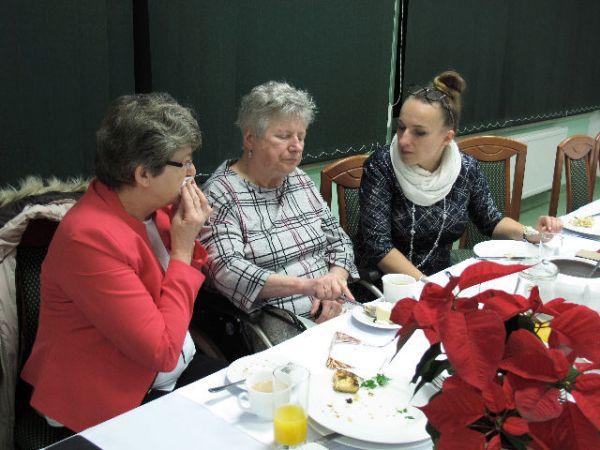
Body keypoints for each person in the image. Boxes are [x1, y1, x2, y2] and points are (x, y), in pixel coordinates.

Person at [21, 93, 225, 433]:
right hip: (109, 398)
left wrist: (186, 238)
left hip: (170, 371)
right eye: (185, 163)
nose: (192, 172)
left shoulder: (156, 208)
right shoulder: (87, 239)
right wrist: (181, 250)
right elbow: (162, 350)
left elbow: (180, 293)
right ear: (143, 174)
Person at [359, 70, 563, 279]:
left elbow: (491, 221)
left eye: (419, 132)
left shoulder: (464, 168)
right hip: (388, 284)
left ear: (446, 138)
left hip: (440, 275)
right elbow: (379, 247)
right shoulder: (381, 165)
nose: (403, 140)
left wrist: (533, 234)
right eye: (401, 127)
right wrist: (428, 285)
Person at [199, 81, 358, 348]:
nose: (296, 146)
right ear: (250, 138)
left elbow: (339, 240)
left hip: (333, 307)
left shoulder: (299, 179)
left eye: (301, 136)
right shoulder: (221, 194)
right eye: (284, 136)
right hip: (276, 322)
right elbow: (228, 271)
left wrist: (335, 281)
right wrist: (308, 286)